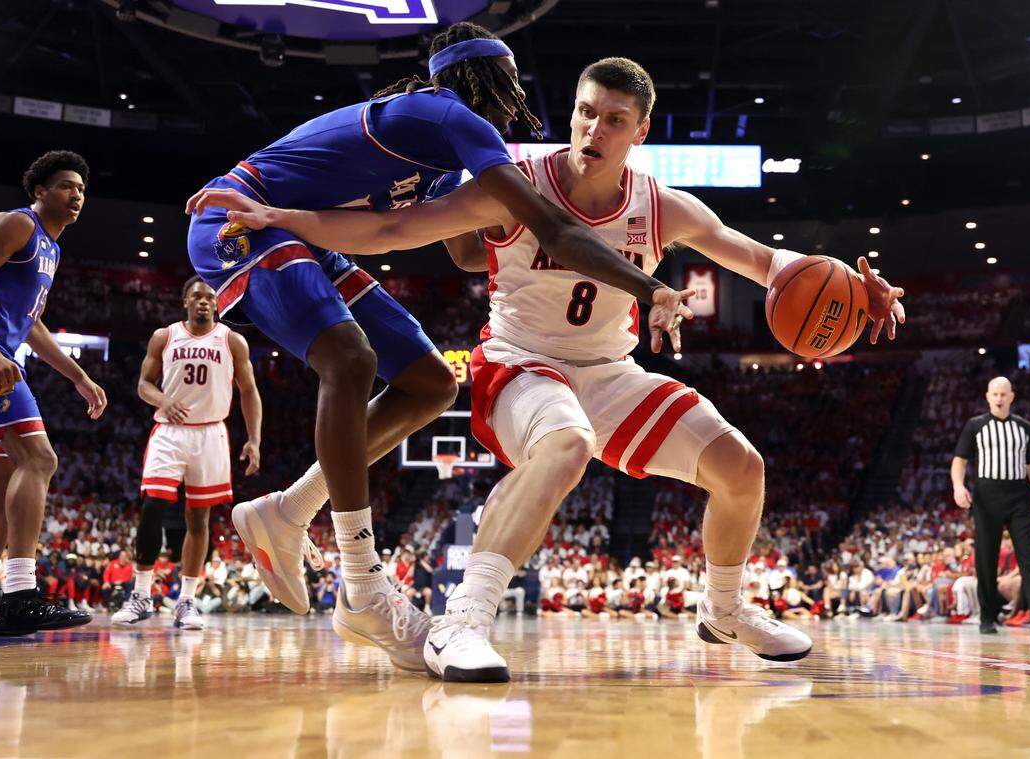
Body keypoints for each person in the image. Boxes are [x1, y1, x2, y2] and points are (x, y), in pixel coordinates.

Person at [192, 56, 906, 681]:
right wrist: (281, 216)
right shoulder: (516, 188)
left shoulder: (660, 206)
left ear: (640, 132)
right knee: (566, 444)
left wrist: (849, 283)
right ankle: (462, 619)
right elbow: (389, 229)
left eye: (614, 120)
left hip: (609, 372)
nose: (594, 130)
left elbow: (759, 259)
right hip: (518, 368)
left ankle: (723, 611)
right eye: (585, 113)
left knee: (741, 466)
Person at [184, 24, 692, 672]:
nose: (514, 107)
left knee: (432, 383)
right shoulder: (446, 115)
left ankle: (288, 510)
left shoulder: (440, 149)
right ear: (491, 84)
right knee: (351, 359)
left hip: (304, 235)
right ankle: (362, 580)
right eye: (509, 91)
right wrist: (649, 287)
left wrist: (509, 234)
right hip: (242, 216)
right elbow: (558, 230)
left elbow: (460, 250)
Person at [0, 151, 107, 634]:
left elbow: (30, 322)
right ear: (39, 191)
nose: (76, 194)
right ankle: (19, 592)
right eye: (65, 186)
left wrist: (77, 375)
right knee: (40, 460)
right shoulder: (15, 225)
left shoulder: (50, 250)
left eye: (80, 188)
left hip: (2, 359)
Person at [112, 277, 262, 630]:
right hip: (169, 431)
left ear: (218, 303)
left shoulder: (232, 341)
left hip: (211, 433)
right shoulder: (164, 336)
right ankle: (141, 595)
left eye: (210, 296)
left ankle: (187, 601)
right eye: (196, 296)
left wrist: (254, 438)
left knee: (199, 519)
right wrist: (164, 400)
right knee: (152, 507)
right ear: (185, 302)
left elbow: (250, 391)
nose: (204, 302)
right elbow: (143, 385)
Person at [951, 376, 1030, 635]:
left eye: (1004, 394)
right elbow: (960, 460)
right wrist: (958, 486)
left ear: (1012, 396)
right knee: (986, 558)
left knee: (1028, 557)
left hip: (1018, 496)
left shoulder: (1024, 427)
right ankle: (988, 617)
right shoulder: (974, 425)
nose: (999, 398)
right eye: (994, 394)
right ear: (987, 396)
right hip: (986, 496)